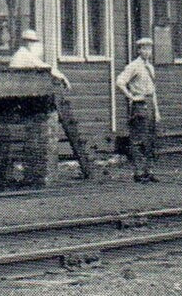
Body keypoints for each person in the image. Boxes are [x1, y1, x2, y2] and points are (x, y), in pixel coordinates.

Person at [9, 28, 94, 179]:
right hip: (22, 99)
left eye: (33, 42)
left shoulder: (22, 55)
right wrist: (63, 78)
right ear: (25, 42)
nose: (31, 44)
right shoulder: (23, 55)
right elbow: (45, 67)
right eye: (30, 41)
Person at [114, 36, 159, 183]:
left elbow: (153, 91)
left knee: (150, 139)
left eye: (149, 48)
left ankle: (149, 171)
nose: (147, 51)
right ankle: (138, 172)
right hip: (140, 104)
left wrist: (156, 111)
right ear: (139, 50)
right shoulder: (134, 66)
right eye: (144, 48)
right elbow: (120, 82)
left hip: (150, 103)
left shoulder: (150, 67)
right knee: (138, 139)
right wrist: (131, 97)